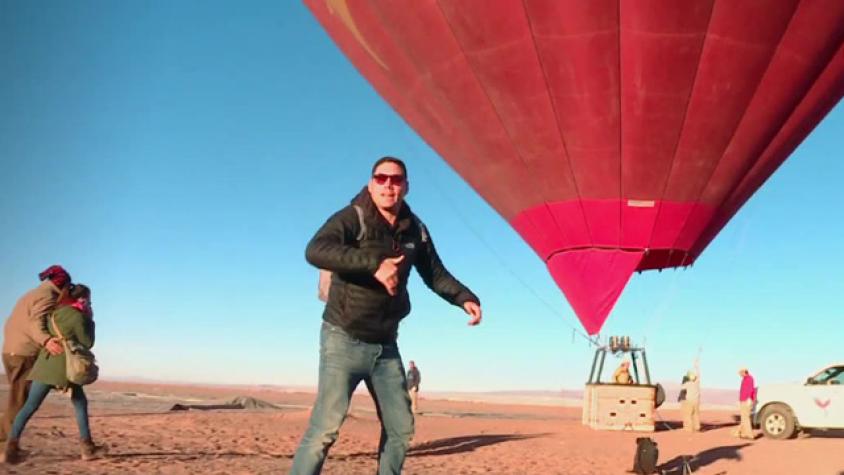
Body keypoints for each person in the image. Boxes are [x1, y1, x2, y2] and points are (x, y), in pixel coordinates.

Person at [291, 157, 482, 475]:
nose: (388, 185)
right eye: (381, 179)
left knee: (401, 429)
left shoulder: (415, 229)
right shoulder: (353, 218)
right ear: (371, 184)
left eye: (396, 180)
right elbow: (316, 249)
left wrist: (464, 298)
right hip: (343, 337)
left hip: (385, 346)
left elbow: (434, 273)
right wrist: (373, 264)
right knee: (325, 429)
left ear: (406, 187)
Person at [2, 284, 105, 464]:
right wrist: (90, 319)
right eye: (88, 300)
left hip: (45, 365)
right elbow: (88, 342)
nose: (89, 303)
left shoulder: (55, 314)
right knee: (80, 403)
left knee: (29, 406)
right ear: (81, 299)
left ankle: (11, 447)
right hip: (66, 368)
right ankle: (87, 448)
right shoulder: (79, 317)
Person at [1, 266, 68, 441]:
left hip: (12, 350)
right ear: (62, 283)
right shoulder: (48, 296)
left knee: (17, 397)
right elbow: (35, 322)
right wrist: (46, 340)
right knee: (20, 402)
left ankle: (3, 438)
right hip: (24, 353)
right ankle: (8, 446)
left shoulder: (31, 294)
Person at [734, 367, 756, 440]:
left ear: (744, 372)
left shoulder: (749, 378)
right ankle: (742, 433)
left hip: (746, 400)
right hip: (743, 400)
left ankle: (750, 435)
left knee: (746, 418)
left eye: (740, 373)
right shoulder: (744, 379)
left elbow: (750, 389)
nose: (740, 374)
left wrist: (750, 398)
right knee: (743, 417)